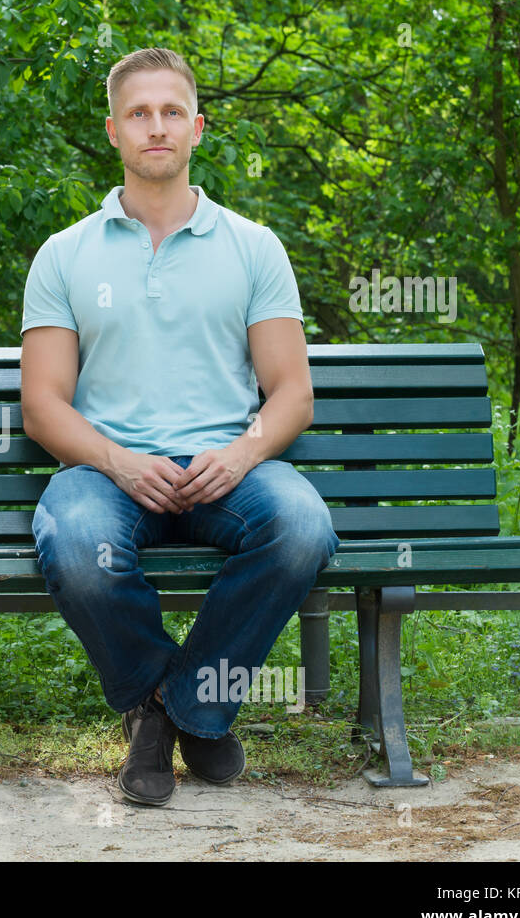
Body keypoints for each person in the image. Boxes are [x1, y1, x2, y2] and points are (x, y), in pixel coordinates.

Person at [21, 48, 340, 807]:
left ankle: (174, 709)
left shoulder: (252, 247)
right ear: (113, 131)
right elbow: (44, 405)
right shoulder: (65, 255)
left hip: (227, 471)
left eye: (171, 113)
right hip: (108, 473)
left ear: (196, 128)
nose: (155, 127)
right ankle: (176, 705)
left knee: (302, 524)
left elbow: (292, 393)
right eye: (139, 113)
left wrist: (241, 454)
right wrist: (122, 464)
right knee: (73, 543)